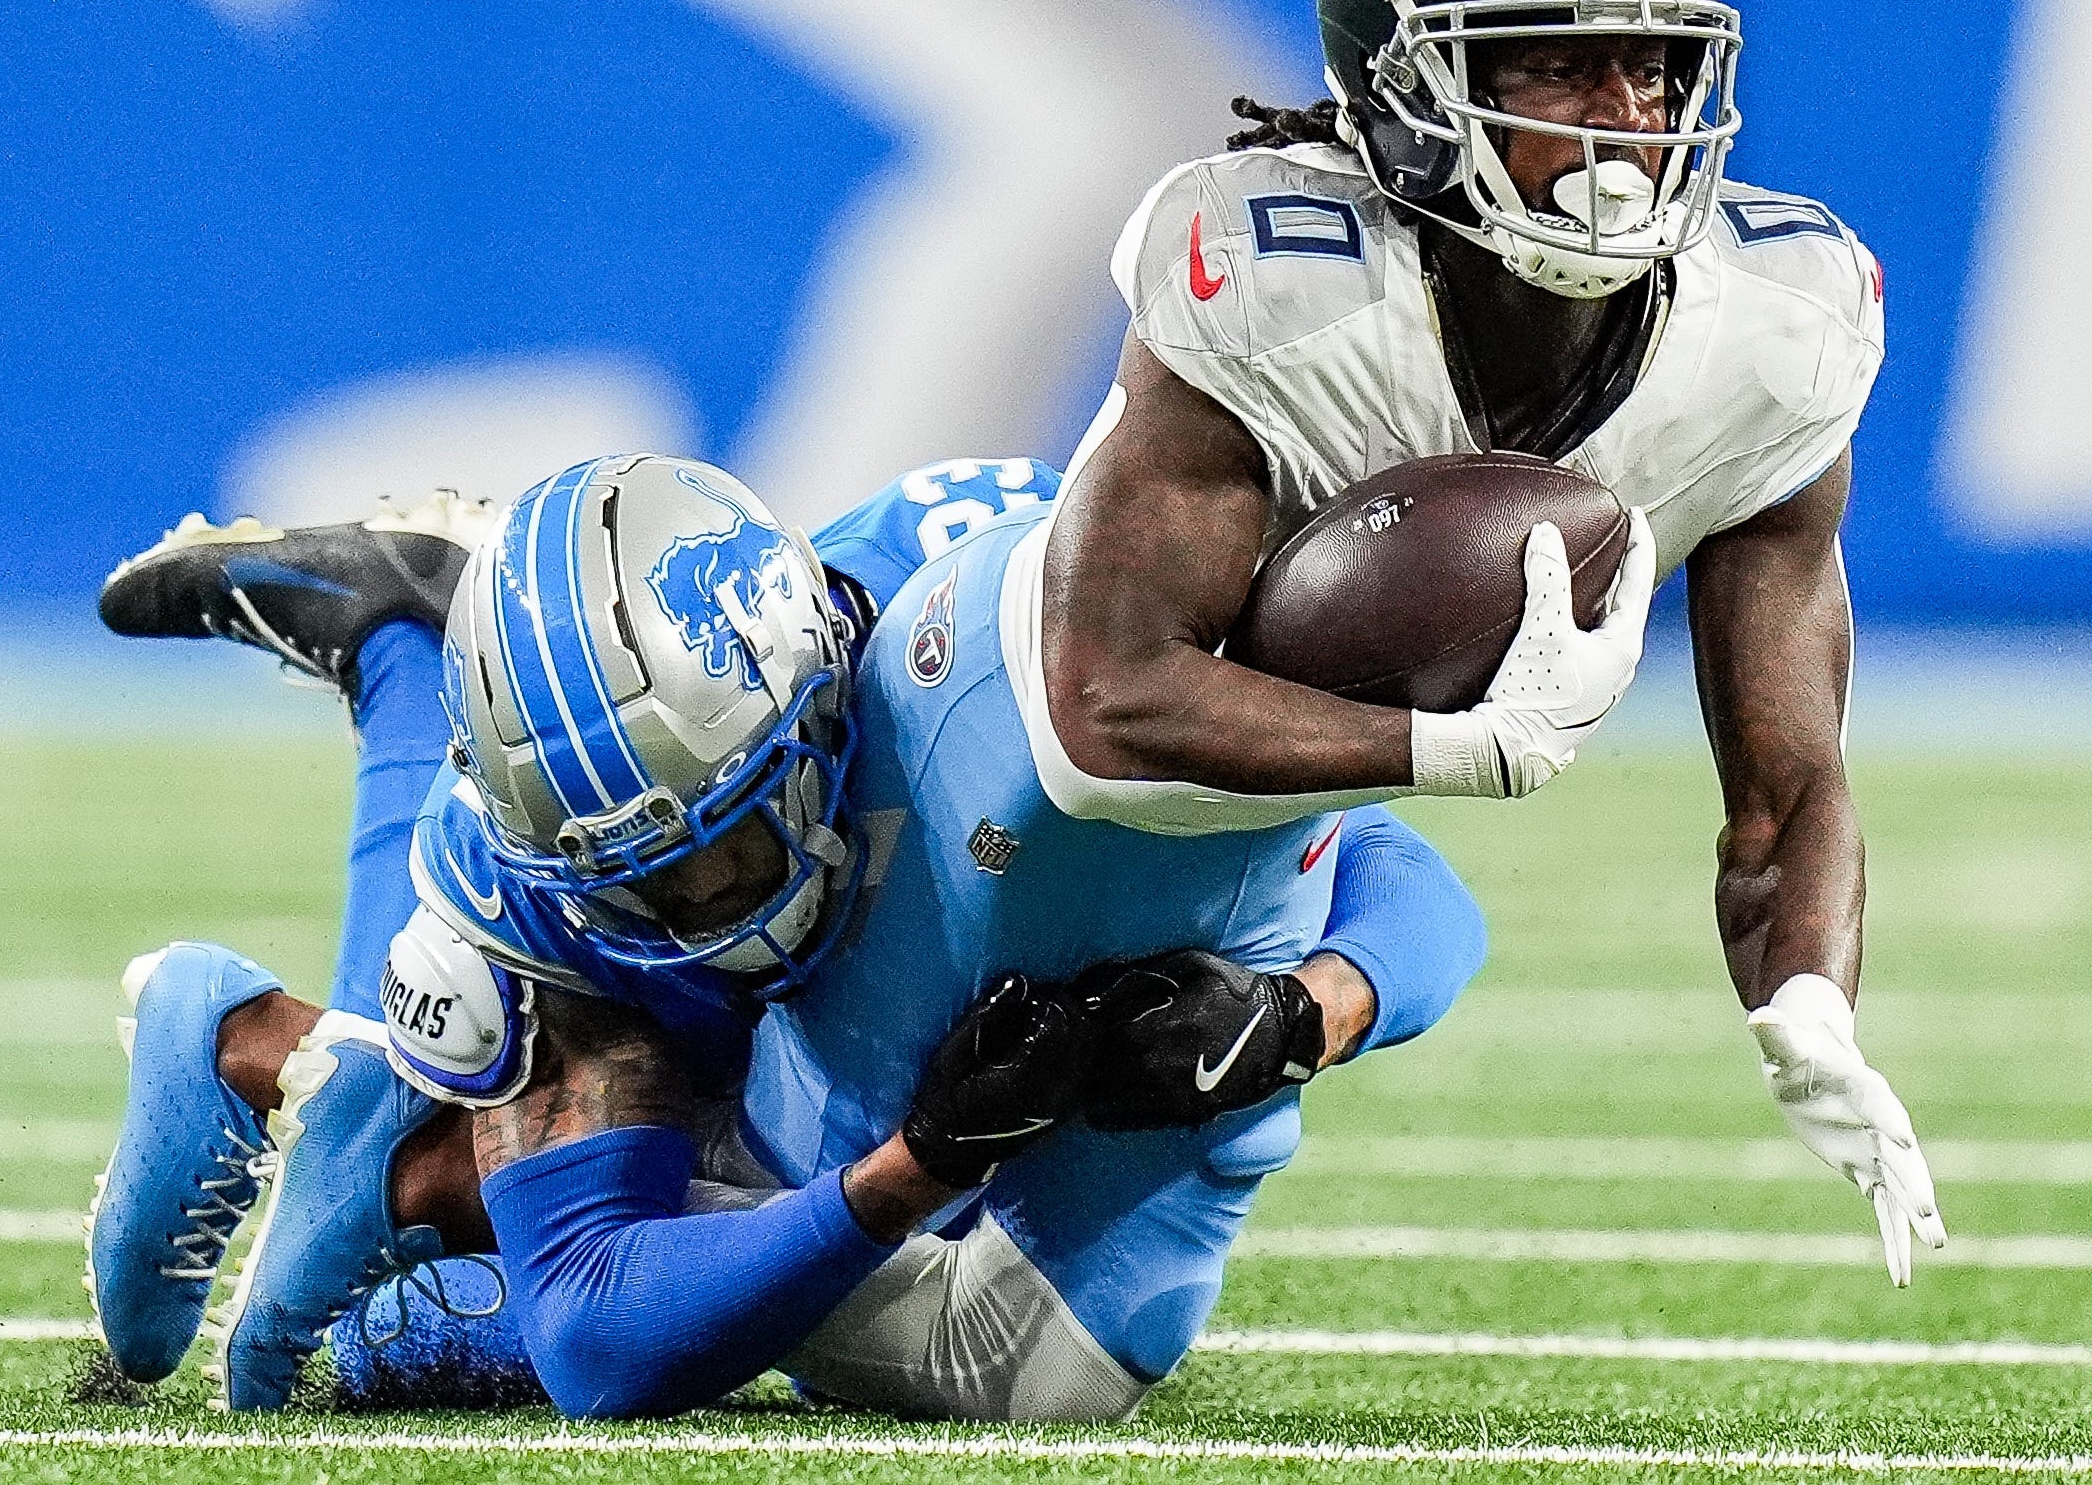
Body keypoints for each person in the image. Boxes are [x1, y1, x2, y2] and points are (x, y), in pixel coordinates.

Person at [1027, 0, 1941, 1281]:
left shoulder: (1780, 326)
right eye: (1559, 65)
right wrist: (1447, 747)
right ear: (1399, 86)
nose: (1627, 120)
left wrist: (1810, 1007)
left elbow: (1790, 787)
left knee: (1047, 1360)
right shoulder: (1282, 283)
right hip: (996, 698)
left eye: (1654, 68)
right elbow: (1101, 700)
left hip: (1260, 843)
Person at [86, 453, 1484, 1419]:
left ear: (813, 701)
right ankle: (351, 1085)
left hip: (946, 990)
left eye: (730, 848)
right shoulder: (552, 858)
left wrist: (1310, 1006)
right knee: (502, 1098)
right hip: (830, 1063)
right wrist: (905, 1165)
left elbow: (1393, 864)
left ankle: (320, 1059)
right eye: (645, 883)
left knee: (504, 1281)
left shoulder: (1003, 681)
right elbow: (593, 1326)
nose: (704, 912)